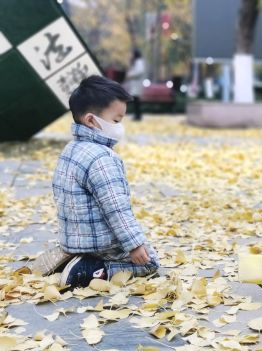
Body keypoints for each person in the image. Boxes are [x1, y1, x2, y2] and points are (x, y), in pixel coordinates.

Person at [53, 75, 159, 288]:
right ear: (91, 120)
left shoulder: (70, 149)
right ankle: (89, 271)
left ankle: (74, 259)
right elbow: (116, 209)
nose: (120, 127)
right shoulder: (102, 158)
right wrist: (134, 245)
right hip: (100, 244)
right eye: (116, 121)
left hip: (73, 239)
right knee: (150, 262)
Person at [125, 48, 146, 121]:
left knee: (136, 100)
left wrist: (130, 75)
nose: (131, 55)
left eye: (132, 54)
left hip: (137, 84)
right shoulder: (136, 62)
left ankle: (138, 116)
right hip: (135, 84)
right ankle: (137, 115)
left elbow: (139, 71)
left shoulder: (139, 61)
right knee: (135, 100)